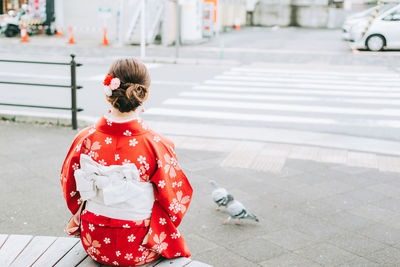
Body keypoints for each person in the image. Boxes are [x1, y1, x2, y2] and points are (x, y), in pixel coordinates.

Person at [60, 58, 193, 266]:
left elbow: (70, 187)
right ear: (145, 94)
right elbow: (174, 198)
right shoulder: (157, 144)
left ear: (108, 91)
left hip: (94, 242)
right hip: (140, 247)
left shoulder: (85, 139)